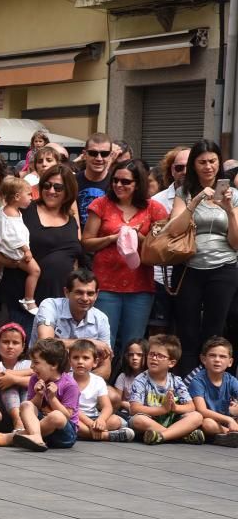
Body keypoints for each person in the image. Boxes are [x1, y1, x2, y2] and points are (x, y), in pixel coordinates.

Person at [165, 140, 238, 377]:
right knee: (187, 329)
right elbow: (173, 230)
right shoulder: (183, 192)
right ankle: (187, 382)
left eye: (213, 161)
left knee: (215, 329)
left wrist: (228, 209)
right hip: (189, 266)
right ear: (194, 165)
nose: (208, 167)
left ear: (219, 163)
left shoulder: (233, 194)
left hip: (224, 266)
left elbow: (235, 243)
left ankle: (213, 383)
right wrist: (194, 201)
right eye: (202, 162)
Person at [82, 160, 166, 353]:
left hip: (140, 285)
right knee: (104, 342)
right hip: (106, 284)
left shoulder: (154, 208)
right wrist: (113, 238)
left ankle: (129, 382)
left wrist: (139, 237)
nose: (119, 185)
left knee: (134, 343)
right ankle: (105, 382)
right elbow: (86, 242)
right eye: (115, 180)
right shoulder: (101, 204)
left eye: (125, 182)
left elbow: (160, 247)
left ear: (138, 184)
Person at [0, 165, 82, 334]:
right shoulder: (25, 209)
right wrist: (3, 259)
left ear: (69, 191)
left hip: (58, 304)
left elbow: (73, 259)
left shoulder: (71, 220)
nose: (51, 191)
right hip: (23, 301)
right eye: (46, 185)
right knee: (22, 355)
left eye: (58, 187)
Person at [0, 338, 78, 451]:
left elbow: (67, 416)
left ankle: (12, 437)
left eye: (36, 362)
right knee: (26, 404)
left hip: (64, 435)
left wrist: (52, 398)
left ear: (54, 365)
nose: (31, 367)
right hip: (42, 429)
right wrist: (39, 395)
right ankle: (36, 437)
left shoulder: (70, 385)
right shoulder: (35, 379)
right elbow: (31, 411)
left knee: (56, 416)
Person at [128, 334, 204, 445]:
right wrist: (163, 409)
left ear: (171, 363)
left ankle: (162, 436)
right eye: (152, 354)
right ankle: (180, 435)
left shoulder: (176, 381)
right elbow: (134, 408)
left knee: (197, 416)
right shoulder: (141, 380)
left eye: (160, 356)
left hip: (170, 422)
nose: (154, 358)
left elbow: (191, 406)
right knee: (138, 420)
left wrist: (175, 407)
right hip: (150, 423)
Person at [149, 146, 190, 332]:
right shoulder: (157, 200)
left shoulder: (210, 197)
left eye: (189, 167)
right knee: (160, 330)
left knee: (187, 329)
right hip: (161, 277)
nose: (184, 172)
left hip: (195, 273)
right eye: (178, 167)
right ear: (170, 170)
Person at [0, 176, 40, 315]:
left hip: (10, 252)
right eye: (29, 194)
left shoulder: (4, 210)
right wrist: (26, 250)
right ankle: (29, 299)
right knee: (35, 271)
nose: (31, 198)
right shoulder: (12, 215)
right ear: (17, 196)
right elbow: (15, 237)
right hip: (16, 252)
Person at [69, 339, 134, 442]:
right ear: (69, 361)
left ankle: (85, 434)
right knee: (70, 422)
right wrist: (91, 424)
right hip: (74, 417)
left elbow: (107, 406)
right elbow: (72, 410)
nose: (80, 361)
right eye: (75, 357)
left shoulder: (98, 381)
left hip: (93, 417)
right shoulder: (66, 380)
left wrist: (101, 419)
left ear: (95, 362)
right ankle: (106, 436)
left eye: (85, 358)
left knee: (115, 420)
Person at [188, 336, 238, 447]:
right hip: (208, 420)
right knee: (208, 424)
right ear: (203, 359)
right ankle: (230, 435)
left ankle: (226, 436)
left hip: (224, 420)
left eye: (222, 356)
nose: (217, 360)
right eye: (212, 355)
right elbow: (202, 410)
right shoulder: (198, 380)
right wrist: (229, 420)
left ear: (230, 362)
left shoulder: (231, 380)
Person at [0, 323, 32, 432]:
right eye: (5, 342)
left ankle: (25, 421)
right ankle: (19, 421)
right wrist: (29, 372)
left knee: (26, 388)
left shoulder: (28, 363)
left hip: (24, 405)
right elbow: (0, 378)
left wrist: (14, 379)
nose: (10, 346)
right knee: (7, 385)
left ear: (23, 346)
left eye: (15, 343)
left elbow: (34, 383)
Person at [76, 132, 116, 228]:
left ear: (110, 156)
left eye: (104, 154)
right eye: (93, 153)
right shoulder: (72, 181)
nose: (99, 158)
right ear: (84, 154)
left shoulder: (117, 183)